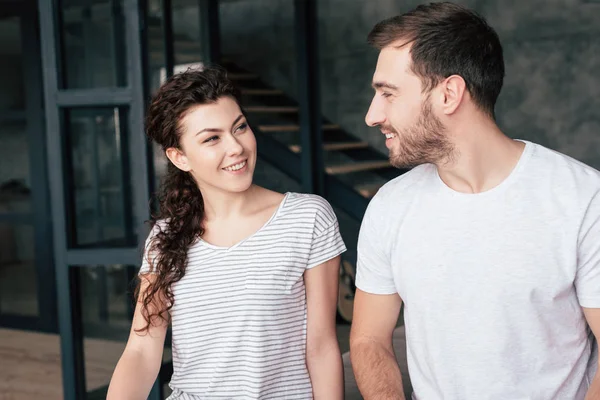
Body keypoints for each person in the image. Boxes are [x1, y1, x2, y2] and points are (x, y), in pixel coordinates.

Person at [349, 2, 600, 399]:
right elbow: (368, 340)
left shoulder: (583, 199)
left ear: (449, 93)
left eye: (388, 94)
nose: (372, 115)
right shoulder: (390, 207)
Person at [107, 66, 346, 399]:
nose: (236, 147)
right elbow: (141, 351)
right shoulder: (166, 238)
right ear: (179, 157)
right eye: (212, 138)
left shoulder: (306, 218)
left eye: (240, 127)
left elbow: (321, 347)